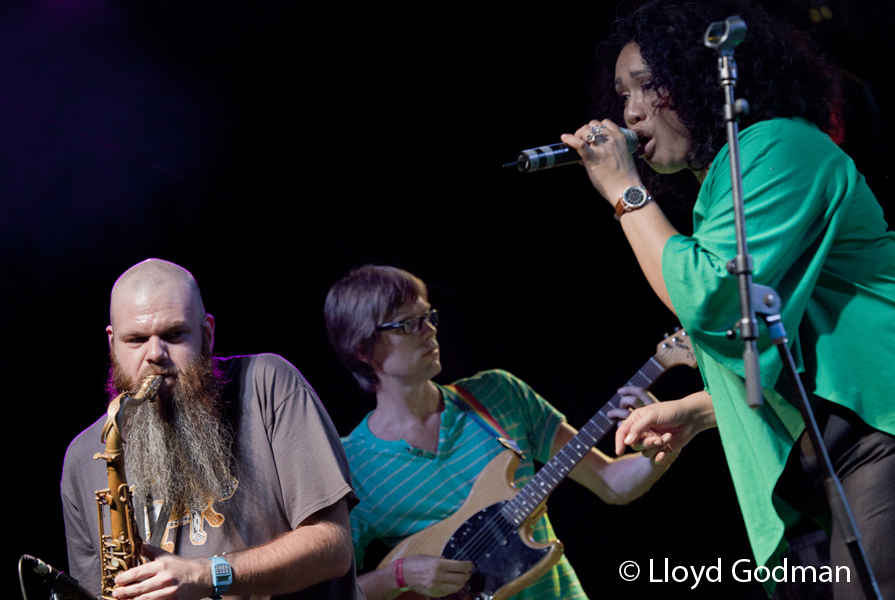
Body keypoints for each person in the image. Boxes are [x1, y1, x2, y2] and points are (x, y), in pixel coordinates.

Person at [558, 0, 895, 598]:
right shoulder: (720, 187)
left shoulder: (779, 147)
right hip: (839, 450)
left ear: (698, 77)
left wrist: (625, 193)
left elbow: (712, 300)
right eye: (621, 94)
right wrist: (701, 411)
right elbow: (780, 343)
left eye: (647, 85)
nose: (630, 112)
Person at [324, 264, 674, 600]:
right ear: (362, 349)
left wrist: (661, 449)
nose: (429, 329)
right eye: (407, 324)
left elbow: (611, 482)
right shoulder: (350, 465)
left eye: (428, 316)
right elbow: (328, 593)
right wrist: (395, 576)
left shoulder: (497, 393)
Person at [60, 258, 364, 600]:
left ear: (207, 333)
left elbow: (334, 546)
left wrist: (207, 573)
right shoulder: (85, 456)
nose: (155, 354)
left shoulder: (267, 385)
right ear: (112, 342)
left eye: (174, 334)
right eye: (136, 339)